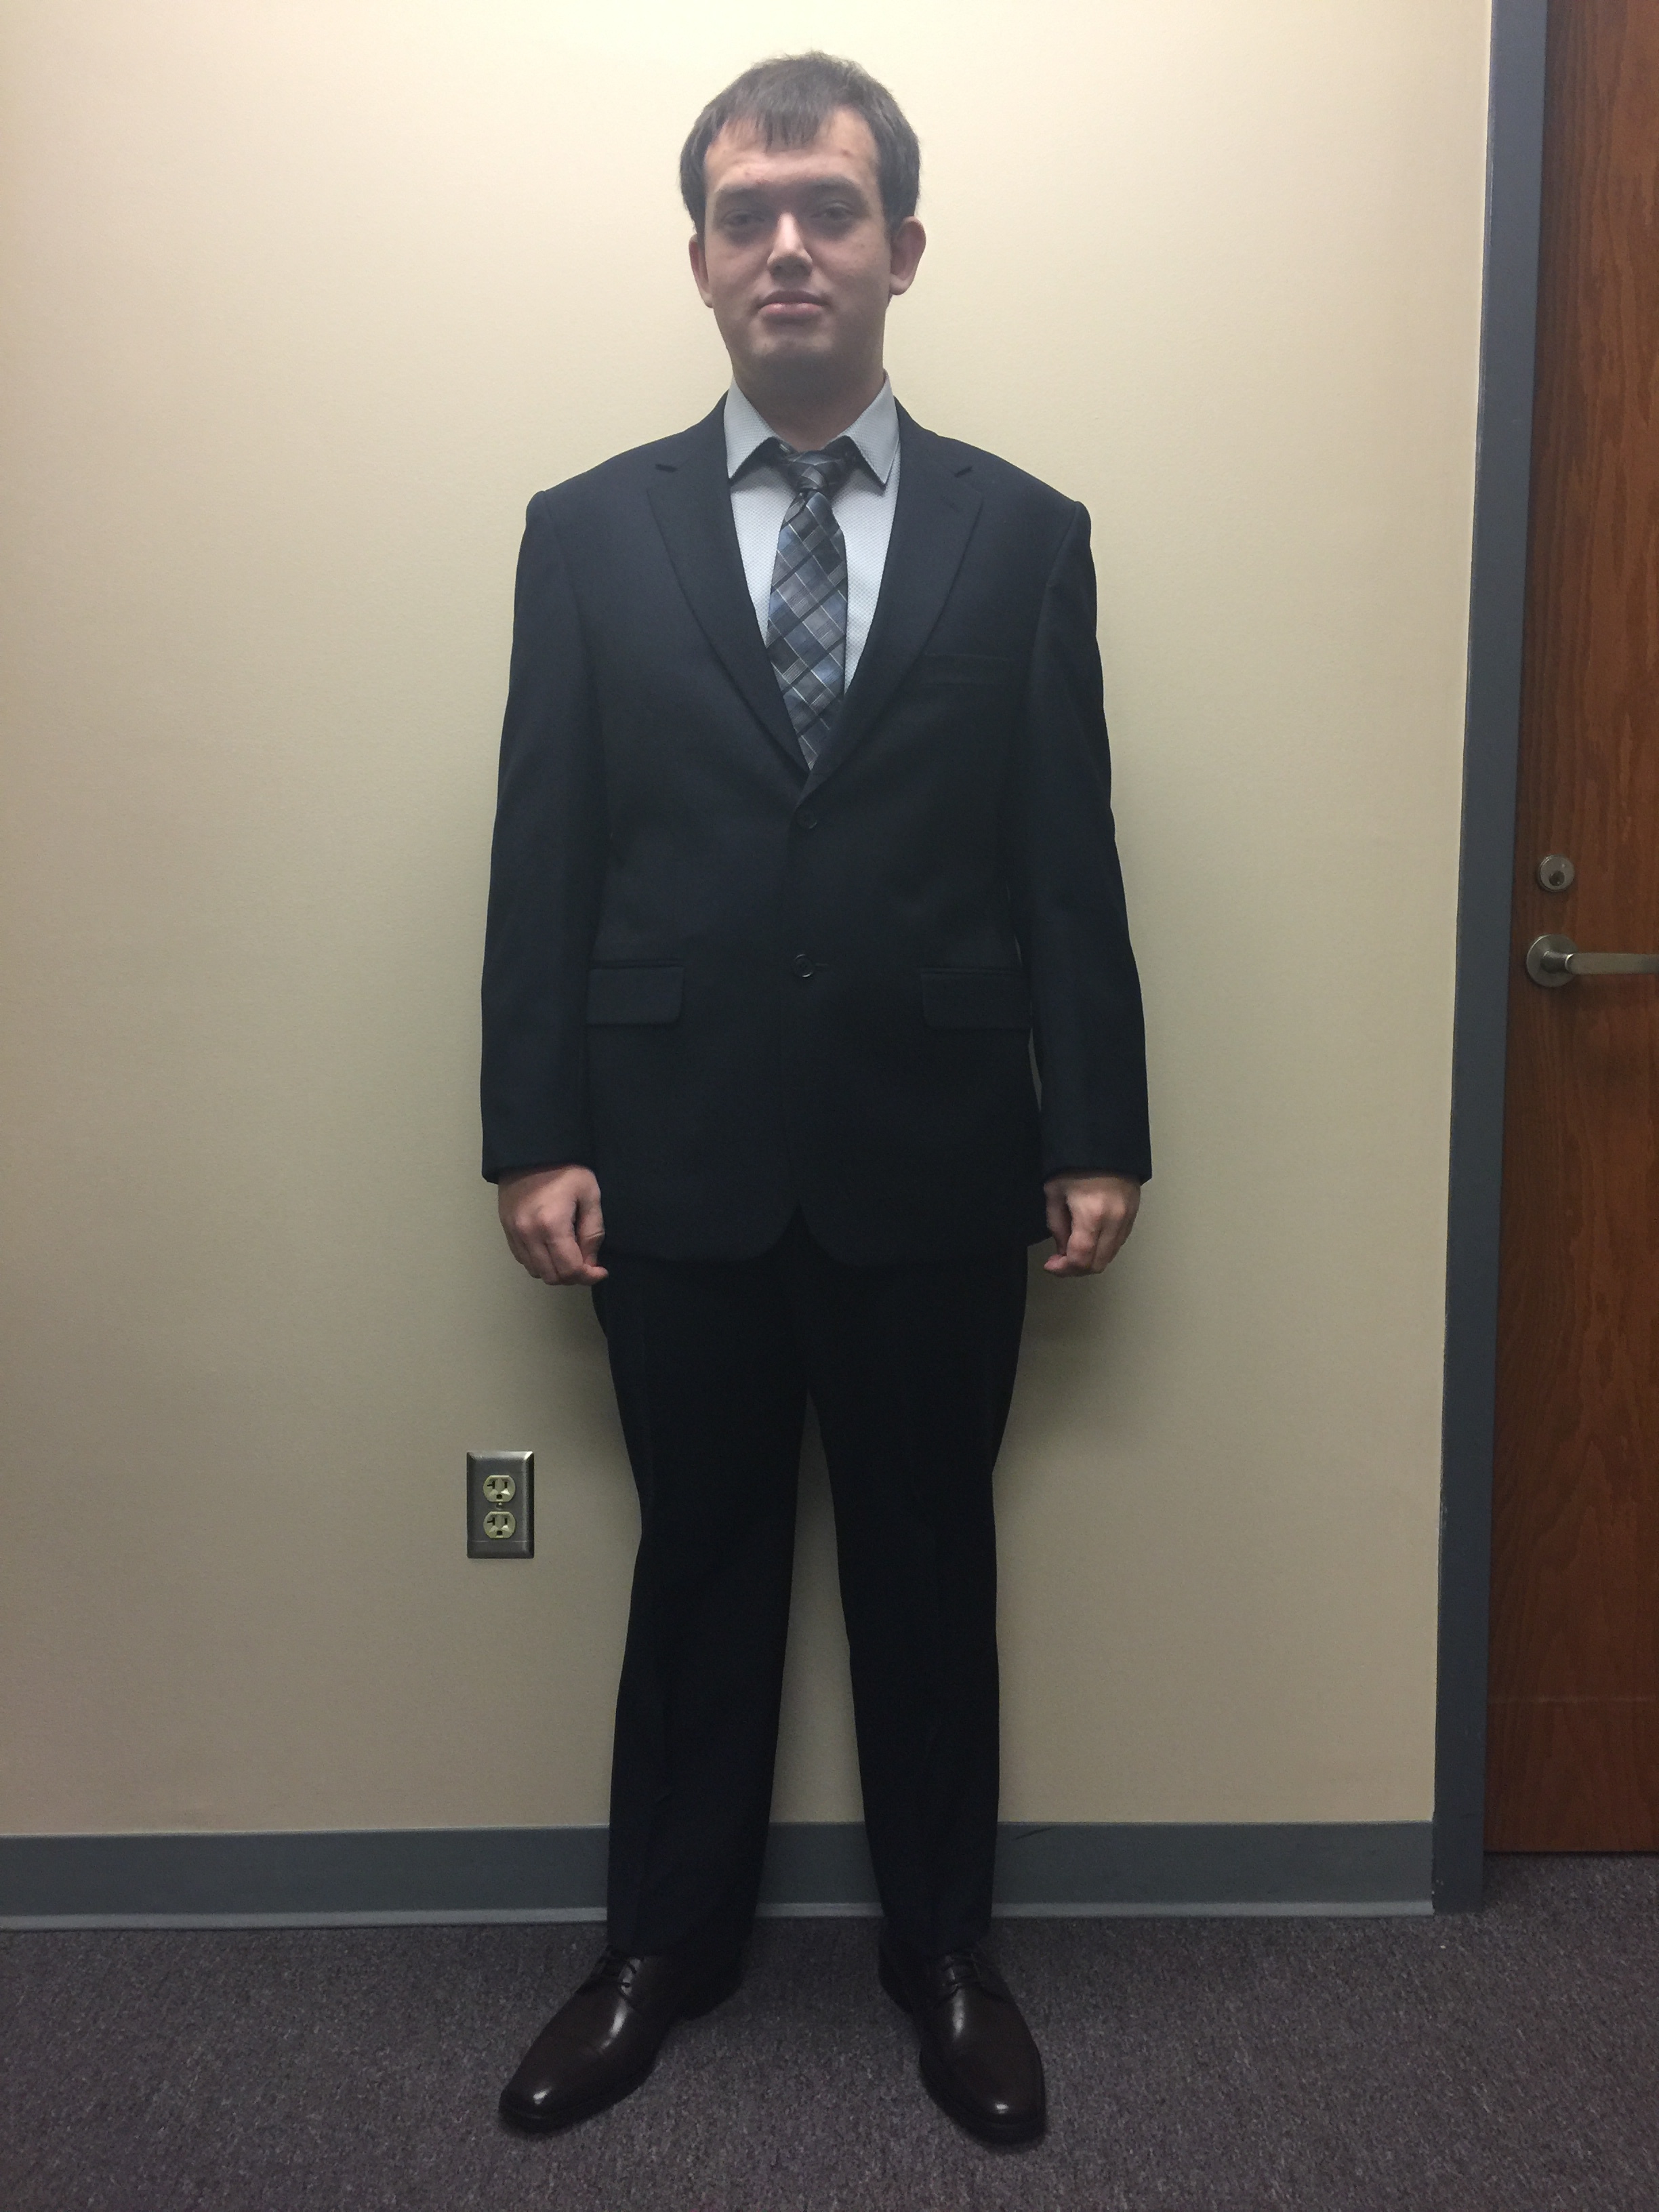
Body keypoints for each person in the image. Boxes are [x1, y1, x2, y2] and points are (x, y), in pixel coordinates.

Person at [480, 51, 1149, 2148]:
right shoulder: (585, 535)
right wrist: (532, 1128)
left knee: (931, 1563)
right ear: (699, 258)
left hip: (937, 1152)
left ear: (901, 248)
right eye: (748, 213)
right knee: (698, 1560)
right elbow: (545, 850)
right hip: (667, 1153)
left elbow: (1064, 859)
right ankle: (658, 1952)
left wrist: (1096, 1125)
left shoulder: (1025, 536)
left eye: (830, 208)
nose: (789, 245)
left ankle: (947, 1957)